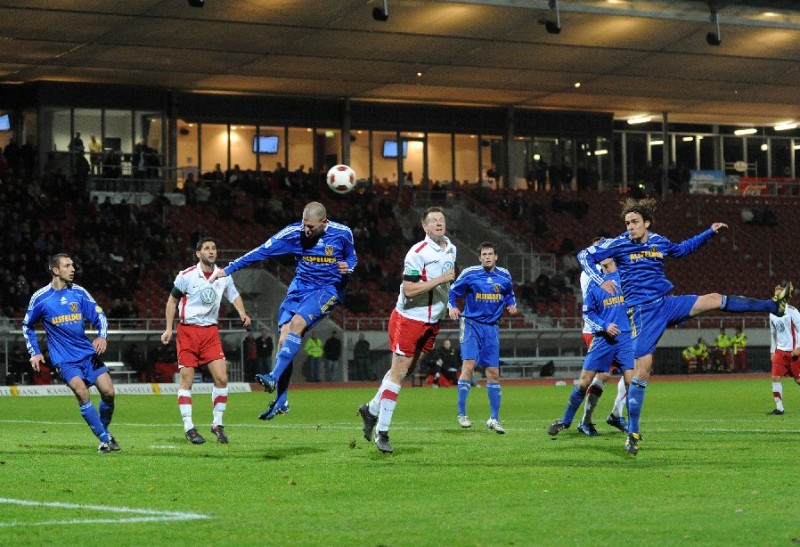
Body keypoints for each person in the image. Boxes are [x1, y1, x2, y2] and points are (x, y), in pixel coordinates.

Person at [578, 197, 792, 456]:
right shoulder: (619, 244)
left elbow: (682, 249)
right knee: (642, 371)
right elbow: (584, 256)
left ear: (647, 223)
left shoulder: (659, 242)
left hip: (666, 304)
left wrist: (708, 233)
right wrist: (600, 280)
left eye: (634, 222)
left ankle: (773, 306)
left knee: (714, 299)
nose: (630, 226)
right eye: (627, 222)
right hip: (643, 313)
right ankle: (632, 432)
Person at [211, 201, 356, 420]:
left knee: (297, 324)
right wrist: (230, 268)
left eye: (311, 227)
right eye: (304, 224)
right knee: (283, 340)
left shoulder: (342, 233)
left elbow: (352, 256)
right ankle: (282, 400)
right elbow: (262, 251)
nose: (306, 230)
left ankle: (272, 376)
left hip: (327, 289)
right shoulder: (293, 233)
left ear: (324, 222)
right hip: (299, 288)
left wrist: (349, 266)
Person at [358, 206, 456, 453]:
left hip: (433, 322)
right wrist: (440, 280)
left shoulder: (451, 248)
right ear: (424, 226)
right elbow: (410, 289)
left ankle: (371, 409)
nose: (438, 223)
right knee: (399, 373)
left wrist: (450, 303)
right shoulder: (417, 253)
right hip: (410, 319)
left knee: (407, 371)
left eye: (441, 220)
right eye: (433, 220)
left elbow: (446, 287)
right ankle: (382, 432)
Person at [22, 253, 120, 453]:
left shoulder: (79, 292)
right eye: (67, 266)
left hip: (87, 354)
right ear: (55, 270)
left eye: (72, 265)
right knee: (82, 392)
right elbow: (27, 325)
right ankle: (104, 440)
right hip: (64, 359)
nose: (73, 269)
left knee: (109, 393)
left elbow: (99, 315)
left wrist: (102, 336)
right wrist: (35, 352)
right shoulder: (41, 298)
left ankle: (104, 432)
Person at [160, 236, 251, 445]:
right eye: (207, 248)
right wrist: (168, 328)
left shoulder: (223, 275)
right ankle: (189, 427)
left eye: (214, 248)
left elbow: (234, 295)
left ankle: (217, 425)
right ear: (198, 253)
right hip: (188, 332)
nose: (211, 251)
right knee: (187, 380)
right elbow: (172, 301)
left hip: (210, 332)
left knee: (222, 378)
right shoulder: (186, 276)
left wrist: (242, 312)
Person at [548, 256, 635, 438]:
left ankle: (633, 429)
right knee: (584, 382)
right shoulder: (594, 283)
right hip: (603, 339)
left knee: (631, 382)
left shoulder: (627, 277)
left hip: (624, 337)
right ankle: (565, 421)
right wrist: (605, 325)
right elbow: (588, 314)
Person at [447, 242, 516, 433]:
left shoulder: (504, 276)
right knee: (468, 366)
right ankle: (462, 414)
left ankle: (494, 419)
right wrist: (452, 307)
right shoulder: (470, 273)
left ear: (496, 256)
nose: (487, 257)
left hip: (491, 328)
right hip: (471, 325)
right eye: (484, 254)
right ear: (480, 258)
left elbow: (509, 294)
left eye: (490, 254)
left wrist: (511, 304)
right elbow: (453, 291)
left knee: (493, 372)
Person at [578, 237, 627, 433]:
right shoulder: (589, 273)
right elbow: (597, 303)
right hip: (597, 330)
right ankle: (585, 420)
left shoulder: (616, 270)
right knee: (603, 375)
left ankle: (616, 413)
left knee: (633, 371)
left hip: (619, 329)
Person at [768, 281, 800, 415]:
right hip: (780, 352)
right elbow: (773, 334)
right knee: (775, 377)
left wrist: (798, 347)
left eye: (779, 295)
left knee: (798, 380)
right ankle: (779, 407)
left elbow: (799, 329)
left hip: (793, 352)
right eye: (775, 295)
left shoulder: (792, 311)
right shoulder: (772, 313)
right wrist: (772, 351)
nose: (777, 297)